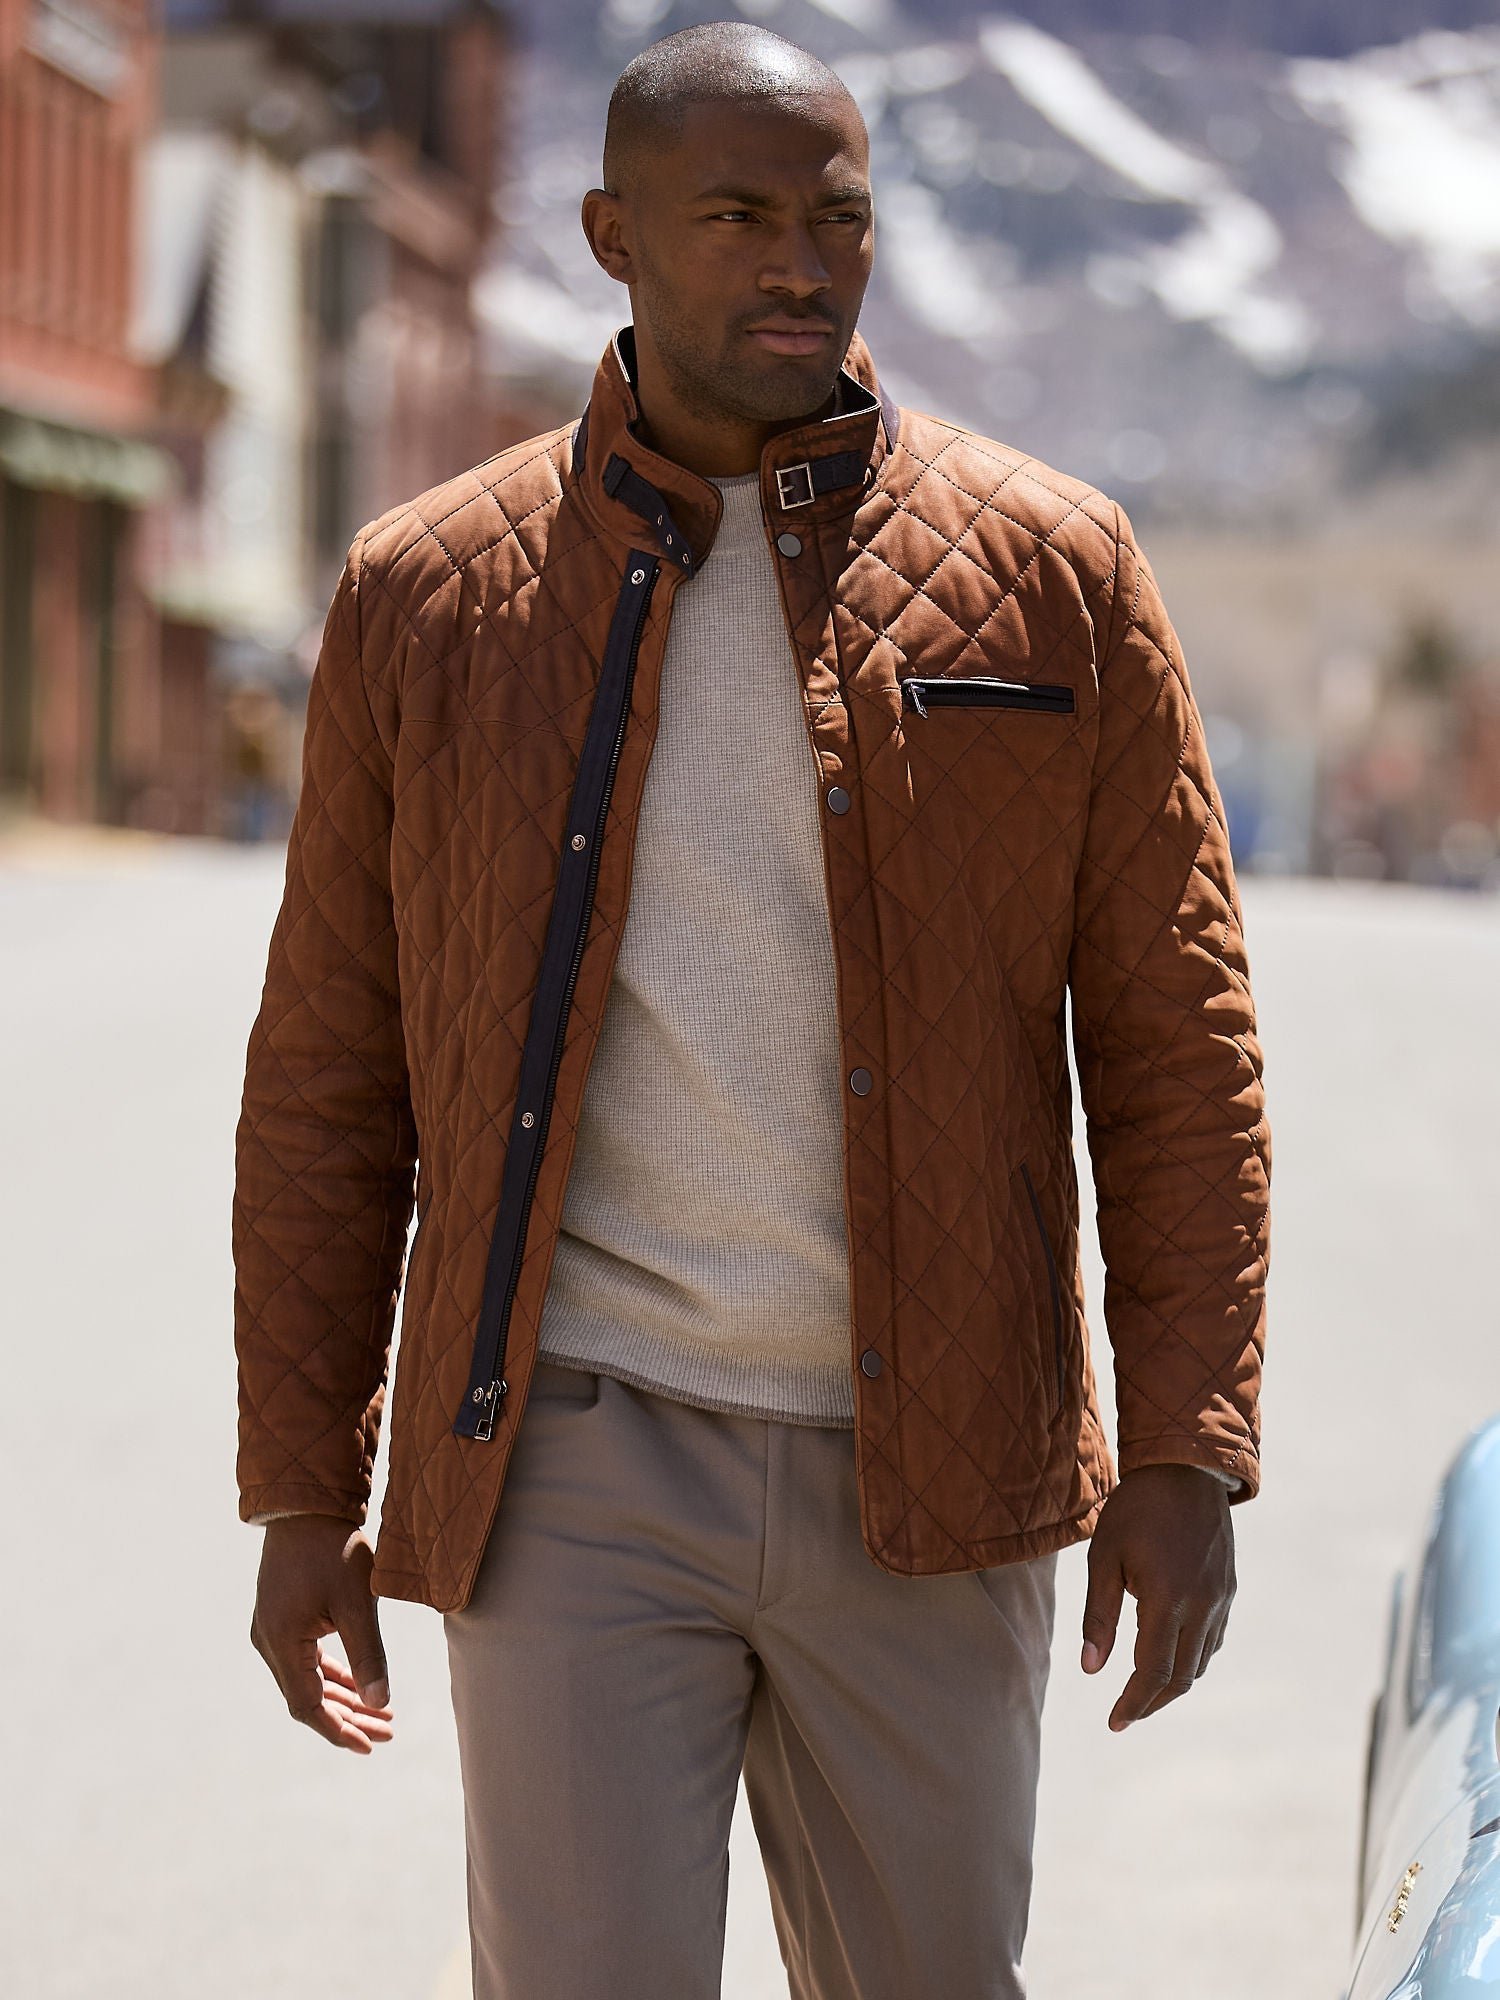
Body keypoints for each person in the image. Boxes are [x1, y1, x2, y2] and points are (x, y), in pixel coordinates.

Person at [233, 21, 1270, 1999]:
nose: (800, 264)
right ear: (614, 235)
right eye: (736, 217)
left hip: (942, 1463)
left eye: (837, 218)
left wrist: (1189, 1449)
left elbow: (1180, 1054)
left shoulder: (1055, 577)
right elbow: (330, 1079)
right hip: (575, 1461)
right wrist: (302, 1484)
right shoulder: (428, 598)